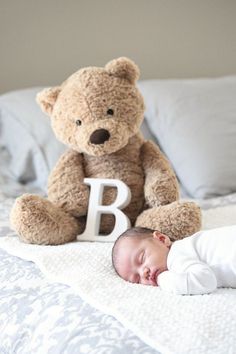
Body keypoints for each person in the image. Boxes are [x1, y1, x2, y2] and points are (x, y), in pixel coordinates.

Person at [111, 226, 236, 295]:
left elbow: (206, 281)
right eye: (137, 279)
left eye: (142, 258)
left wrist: (162, 279)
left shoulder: (175, 256)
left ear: (161, 239)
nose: (144, 272)